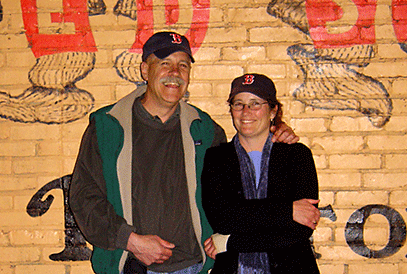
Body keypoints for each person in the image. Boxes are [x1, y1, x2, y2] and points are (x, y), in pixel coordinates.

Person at [68, 32, 299, 274]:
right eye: (165, 63)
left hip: (194, 267)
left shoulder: (205, 129)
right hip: (131, 265)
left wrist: (274, 135)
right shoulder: (108, 127)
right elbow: (84, 197)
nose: (175, 73)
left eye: (183, 65)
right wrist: (131, 241)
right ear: (145, 70)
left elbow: (240, 186)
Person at [201, 73, 320, 274]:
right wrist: (287, 211)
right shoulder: (216, 158)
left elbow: (300, 230)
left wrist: (231, 242)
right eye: (238, 104)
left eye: (255, 103)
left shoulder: (297, 156)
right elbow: (223, 218)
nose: (246, 112)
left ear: (273, 110)